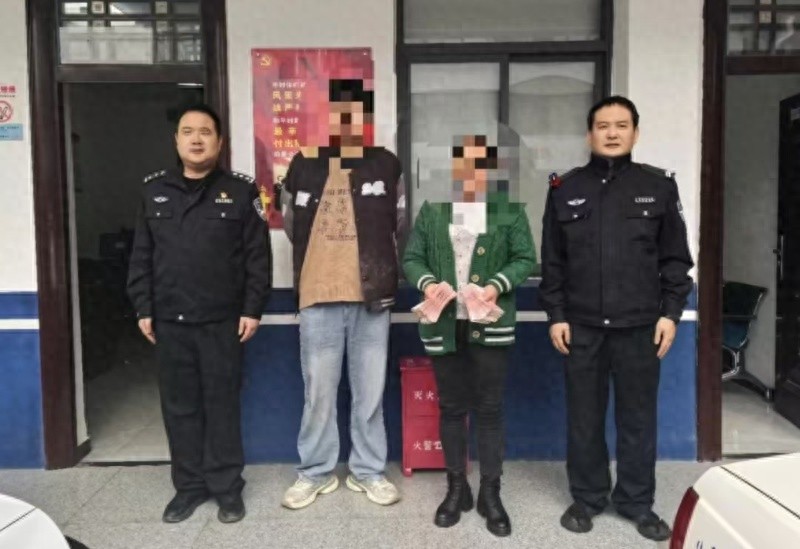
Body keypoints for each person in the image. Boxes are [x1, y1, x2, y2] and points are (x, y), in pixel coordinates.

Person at [539, 96, 693, 542]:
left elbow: (675, 259)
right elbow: (554, 262)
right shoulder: (564, 188)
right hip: (582, 327)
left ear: (635, 133)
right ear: (589, 134)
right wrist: (556, 315)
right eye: (603, 125)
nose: (611, 133)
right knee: (584, 419)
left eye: (621, 125)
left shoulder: (658, 187)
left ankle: (636, 502)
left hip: (640, 327)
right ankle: (587, 498)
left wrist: (670, 314)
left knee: (638, 419)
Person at [127, 104, 272, 524]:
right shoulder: (153, 190)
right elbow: (141, 255)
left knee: (222, 406)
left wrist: (252, 309)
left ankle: (227, 489)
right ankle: (188, 488)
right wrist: (143, 306)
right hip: (170, 323)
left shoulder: (241, 191)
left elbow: (257, 258)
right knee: (180, 409)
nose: (196, 139)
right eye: (187, 131)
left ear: (219, 142)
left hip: (222, 323)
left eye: (205, 132)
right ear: (176, 140)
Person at [403, 134, 536, 537]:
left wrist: (496, 284)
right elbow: (412, 258)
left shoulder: (509, 213)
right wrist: (428, 284)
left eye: (482, 164)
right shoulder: (433, 212)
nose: (473, 172)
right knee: (451, 407)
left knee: (490, 408)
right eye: (465, 163)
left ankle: (490, 493)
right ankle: (456, 488)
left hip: (489, 323)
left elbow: (525, 258)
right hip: (445, 323)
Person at [279, 79, 403, 510]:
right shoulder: (304, 164)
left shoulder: (386, 164)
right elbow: (290, 221)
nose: (347, 119)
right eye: (339, 111)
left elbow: (400, 222)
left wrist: (380, 264)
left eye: (356, 112)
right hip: (318, 295)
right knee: (318, 393)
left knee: (370, 392)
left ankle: (368, 472)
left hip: (372, 297)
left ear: (366, 119)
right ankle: (315, 473)